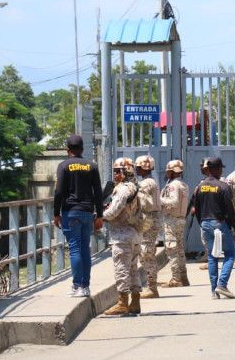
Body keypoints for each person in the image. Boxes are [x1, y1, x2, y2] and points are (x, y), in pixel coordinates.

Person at [53, 134, 103, 298]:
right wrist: (100, 215)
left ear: (68, 150)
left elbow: (59, 192)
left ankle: (77, 286)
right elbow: (98, 192)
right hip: (88, 212)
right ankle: (85, 286)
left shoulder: (63, 166)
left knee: (74, 249)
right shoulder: (92, 166)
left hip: (71, 211)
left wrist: (56, 213)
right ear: (82, 149)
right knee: (85, 249)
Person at [193, 157, 235, 299]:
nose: (221, 171)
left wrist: (201, 223)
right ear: (216, 169)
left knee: (212, 257)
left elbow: (197, 208)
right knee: (230, 254)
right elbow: (230, 209)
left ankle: (214, 291)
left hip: (206, 223)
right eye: (220, 168)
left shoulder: (200, 187)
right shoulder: (223, 186)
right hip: (220, 224)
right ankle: (222, 284)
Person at [102, 157, 142, 316]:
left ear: (124, 173)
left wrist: (99, 217)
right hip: (132, 233)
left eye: (117, 171)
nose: (114, 175)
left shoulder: (123, 189)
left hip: (121, 235)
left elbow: (113, 211)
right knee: (133, 270)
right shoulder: (133, 187)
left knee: (122, 270)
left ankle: (122, 303)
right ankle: (135, 301)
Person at [135, 155, 162, 299]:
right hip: (152, 219)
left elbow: (145, 204)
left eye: (138, 167)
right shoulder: (150, 181)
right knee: (147, 252)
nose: (136, 169)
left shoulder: (145, 184)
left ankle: (152, 288)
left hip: (148, 219)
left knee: (146, 253)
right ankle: (151, 286)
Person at [161, 159, 190, 287]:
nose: (167, 174)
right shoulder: (183, 184)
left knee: (172, 249)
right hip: (180, 219)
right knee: (179, 249)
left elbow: (173, 202)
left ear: (172, 172)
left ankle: (176, 279)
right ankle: (183, 277)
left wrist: (159, 200)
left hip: (172, 219)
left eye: (168, 172)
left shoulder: (173, 185)